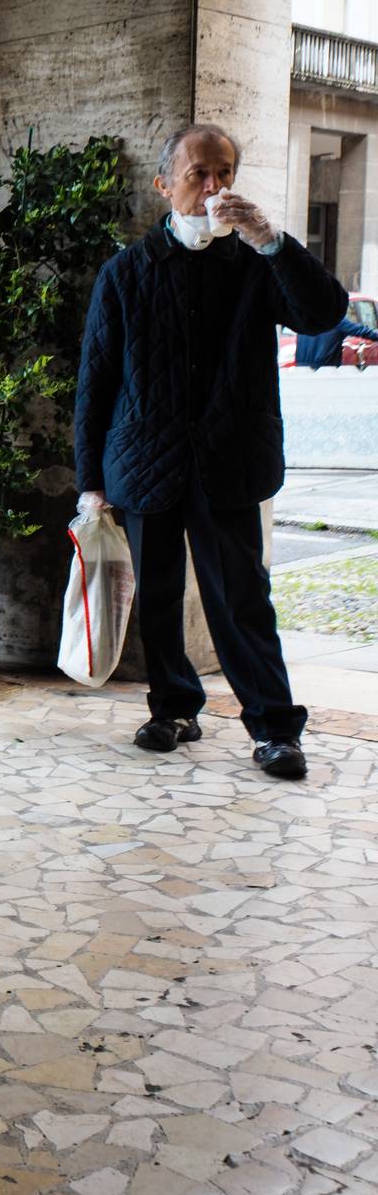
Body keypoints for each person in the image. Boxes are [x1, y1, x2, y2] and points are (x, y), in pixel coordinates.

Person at [75, 124, 347, 781]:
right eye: (200, 173)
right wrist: (90, 481)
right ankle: (173, 707)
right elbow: (96, 382)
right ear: (165, 184)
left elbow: (323, 312)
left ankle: (275, 727)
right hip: (144, 460)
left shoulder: (256, 262)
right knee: (159, 595)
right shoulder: (127, 272)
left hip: (229, 459)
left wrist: (272, 240)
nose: (214, 187)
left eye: (224, 173)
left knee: (241, 597)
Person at [294, 314, 378, 368]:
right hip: (326, 369)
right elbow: (361, 331)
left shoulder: (304, 320)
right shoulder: (335, 320)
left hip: (301, 368)